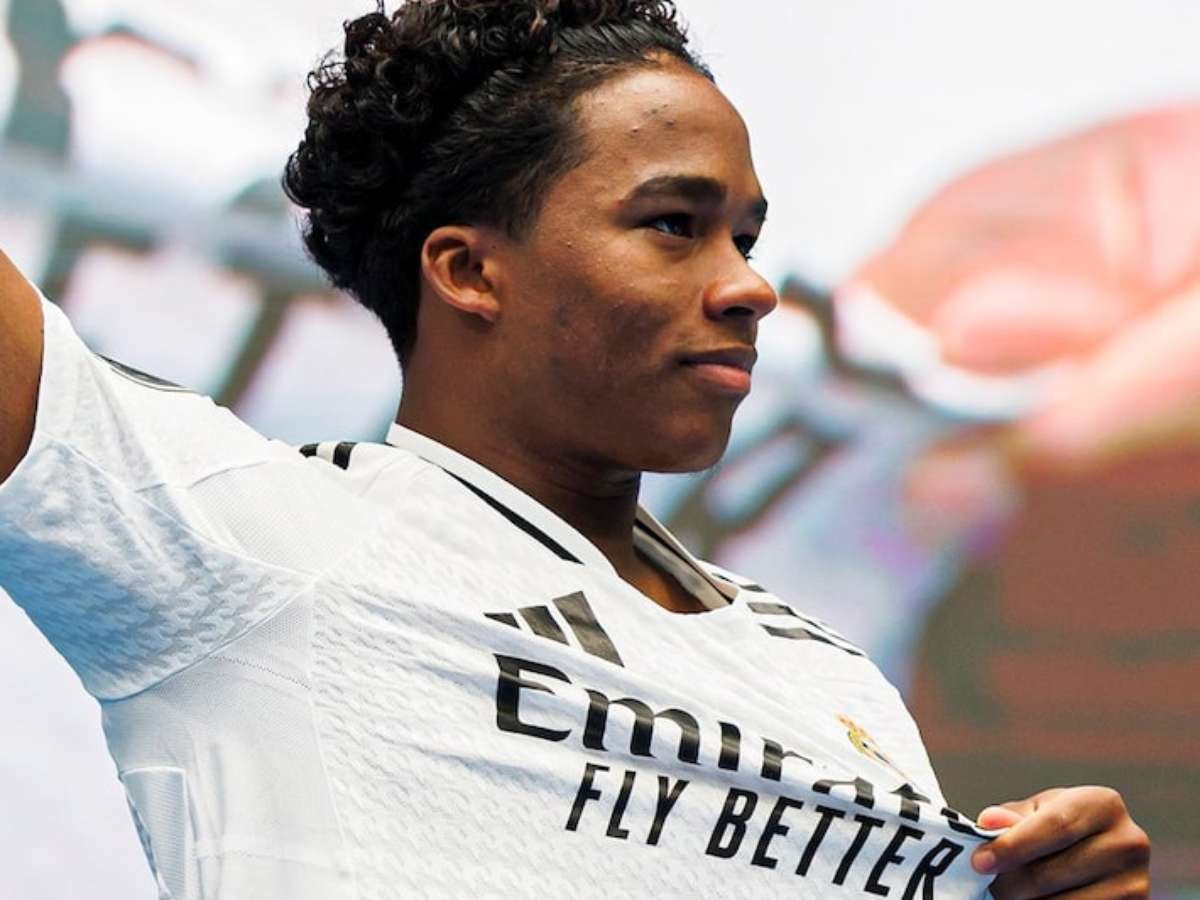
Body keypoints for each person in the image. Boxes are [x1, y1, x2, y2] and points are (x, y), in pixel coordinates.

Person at [0, 1, 1149, 896]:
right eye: (673, 226)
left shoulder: (834, 677)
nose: (749, 287)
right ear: (468, 271)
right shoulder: (263, 543)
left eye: (746, 238)